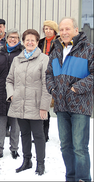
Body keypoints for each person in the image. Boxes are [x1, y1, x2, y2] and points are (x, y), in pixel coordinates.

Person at [46, 17, 93, 182]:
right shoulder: (56, 50)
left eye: (68, 29)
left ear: (76, 29)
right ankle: (71, 178)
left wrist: (76, 88)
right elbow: (49, 74)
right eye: (62, 29)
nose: (64, 32)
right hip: (61, 106)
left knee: (80, 147)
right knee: (65, 146)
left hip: (80, 105)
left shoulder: (88, 49)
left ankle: (83, 179)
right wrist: (52, 89)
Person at [6, 29, 51, 175]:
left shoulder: (44, 59)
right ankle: (27, 161)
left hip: (36, 104)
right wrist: (12, 95)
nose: (30, 42)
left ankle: (40, 163)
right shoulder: (17, 59)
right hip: (19, 103)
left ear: (37, 42)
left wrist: (44, 106)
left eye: (33, 40)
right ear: (23, 42)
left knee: (38, 135)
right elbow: (9, 80)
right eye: (27, 40)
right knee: (24, 133)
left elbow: (47, 84)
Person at [0, 28, 22, 159]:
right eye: (11, 37)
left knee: (15, 124)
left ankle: (14, 149)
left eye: (15, 37)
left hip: (16, 93)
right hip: (0, 92)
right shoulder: (0, 54)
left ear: (19, 40)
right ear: (7, 39)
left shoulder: (22, 54)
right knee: (0, 123)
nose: (12, 39)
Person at [38, 20, 59, 142]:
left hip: (55, 75)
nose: (48, 31)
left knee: (51, 104)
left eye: (50, 29)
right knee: (43, 104)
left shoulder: (60, 42)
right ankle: (43, 133)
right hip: (41, 74)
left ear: (54, 30)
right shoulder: (41, 42)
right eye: (45, 28)